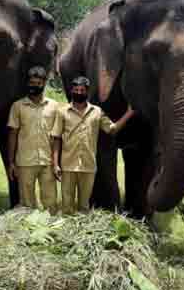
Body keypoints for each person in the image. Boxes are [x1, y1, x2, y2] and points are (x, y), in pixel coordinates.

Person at [50, 76, 133, 214]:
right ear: (72, 91)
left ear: (87, 92)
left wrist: (129, 113)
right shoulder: (62, 111)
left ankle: (81, 231)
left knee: (84, 206)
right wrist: (55, 164)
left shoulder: (97, 112)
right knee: (67, 206)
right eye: (76, 90)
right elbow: (56, 138)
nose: (79, 93)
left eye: (82, 90)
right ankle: (68, 232)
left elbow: (111, 129)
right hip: (68, 165)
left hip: (88, 166)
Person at [7, 66, 59, 213]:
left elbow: (56, 137)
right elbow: (13, 135)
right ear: (27, 83)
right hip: (25, 162)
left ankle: (51, 231)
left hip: (47, 162)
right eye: (31, 83)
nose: (34, 86)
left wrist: (56, 162)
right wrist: (11, 162)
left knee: (51, 203)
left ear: (44, 84)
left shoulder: (54, 106)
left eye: (38, 83)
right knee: (26, 205)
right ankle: (28, 232)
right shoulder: (17, 106)